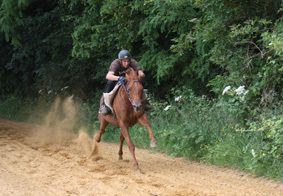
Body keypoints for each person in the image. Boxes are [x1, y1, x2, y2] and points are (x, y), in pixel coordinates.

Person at [99, 49, 145, 115]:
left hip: (129, 79)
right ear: (120, 61)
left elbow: (140, 72)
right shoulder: (115, 63)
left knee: (138, 83)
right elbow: (108, 76)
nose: (127, 63)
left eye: (128, 61)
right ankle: (104, 105)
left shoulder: (133, 62)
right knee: (110, 83)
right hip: (116, 78)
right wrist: (119, 78)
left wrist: (141, 74)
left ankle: (145, 102)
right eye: (124, 61)